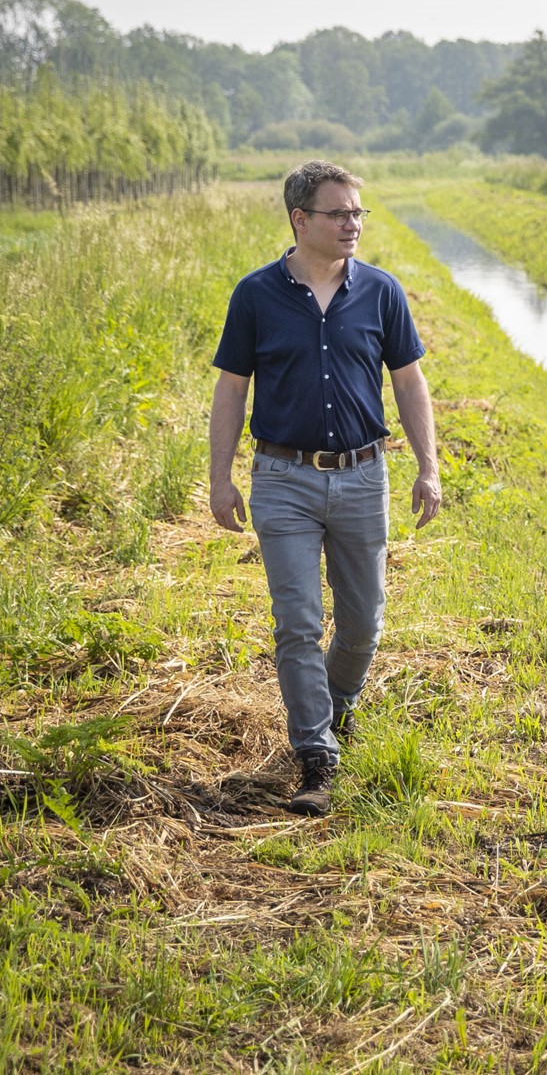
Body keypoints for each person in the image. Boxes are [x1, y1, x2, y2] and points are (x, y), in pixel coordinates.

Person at [208, 160, 441, 816]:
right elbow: (231, 388)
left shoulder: (382, 292)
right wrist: (219, 477)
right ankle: (317, 757)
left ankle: (335, 708)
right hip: (282, 479)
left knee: (363, 625)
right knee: (298, 625)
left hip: (365, 476)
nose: (353, 225)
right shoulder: (255, 296)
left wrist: (429, 464)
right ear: (300, 219)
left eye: (358, 213)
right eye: (339, 213)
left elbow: (409, 381)